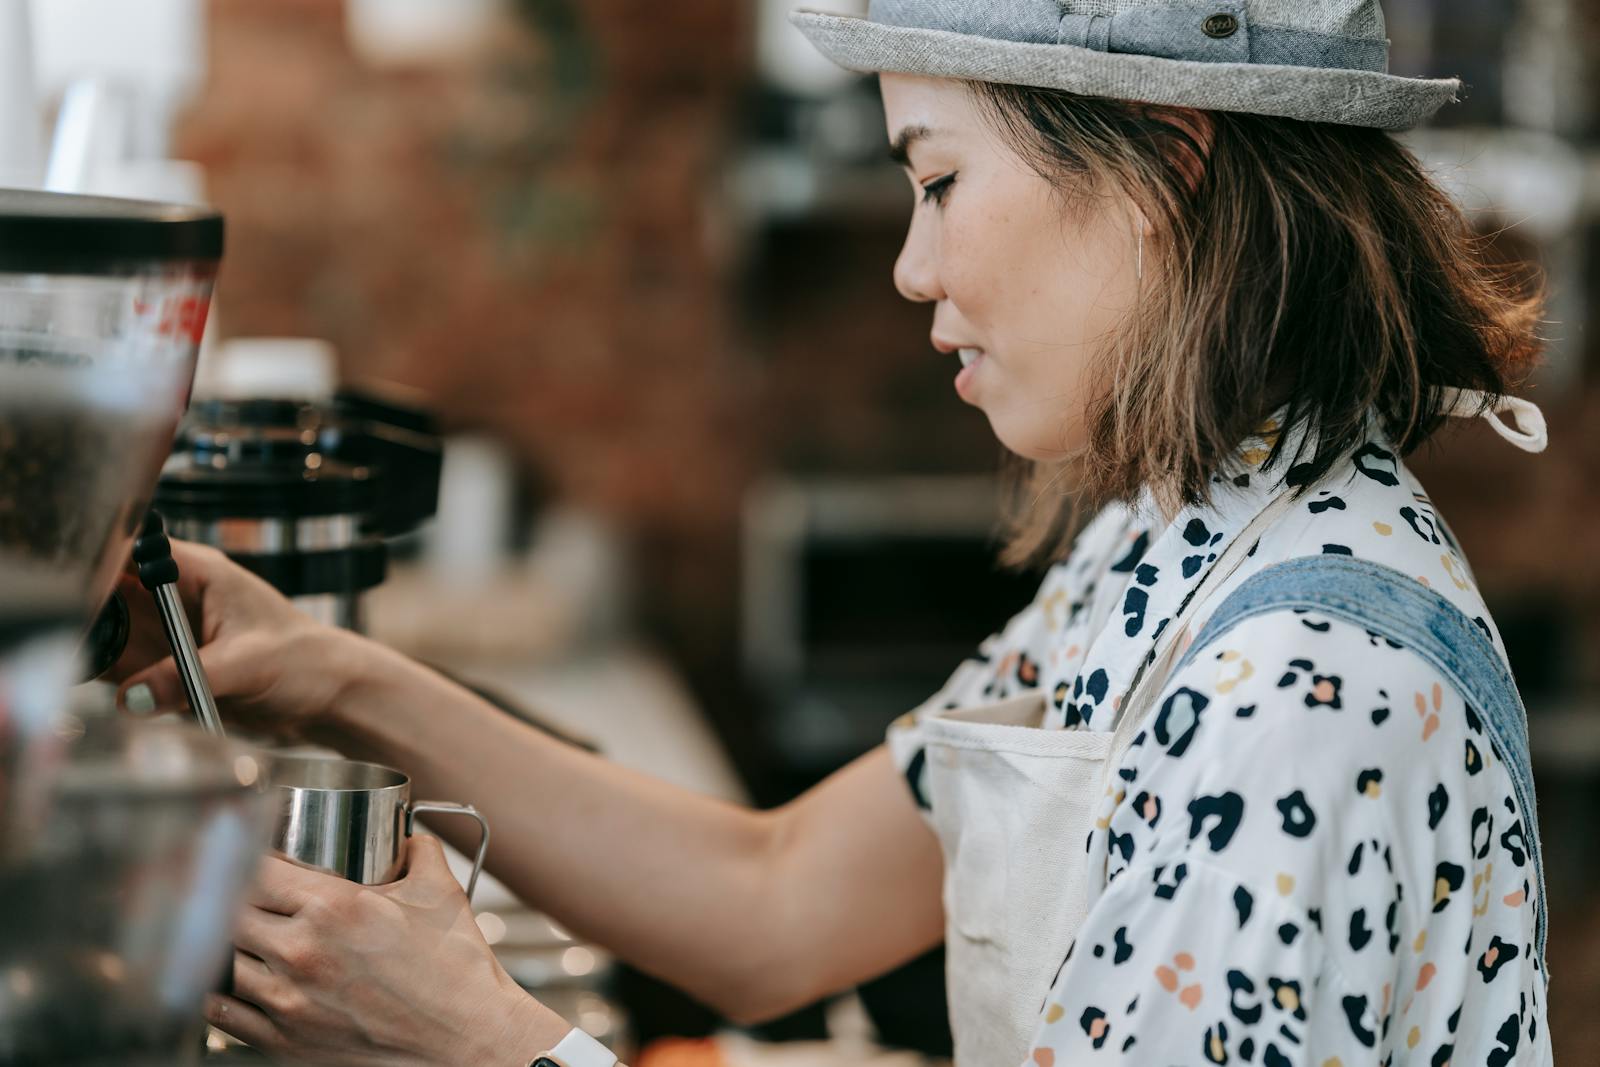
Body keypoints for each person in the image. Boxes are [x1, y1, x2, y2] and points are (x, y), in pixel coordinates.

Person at [112, 1, 1557, 1063]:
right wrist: (326, 671)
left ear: (1163, 172)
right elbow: (779, 898)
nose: (913, 265)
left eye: (936, 180)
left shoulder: (1300, 687)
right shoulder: (1174, 545)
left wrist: (482, 1040)